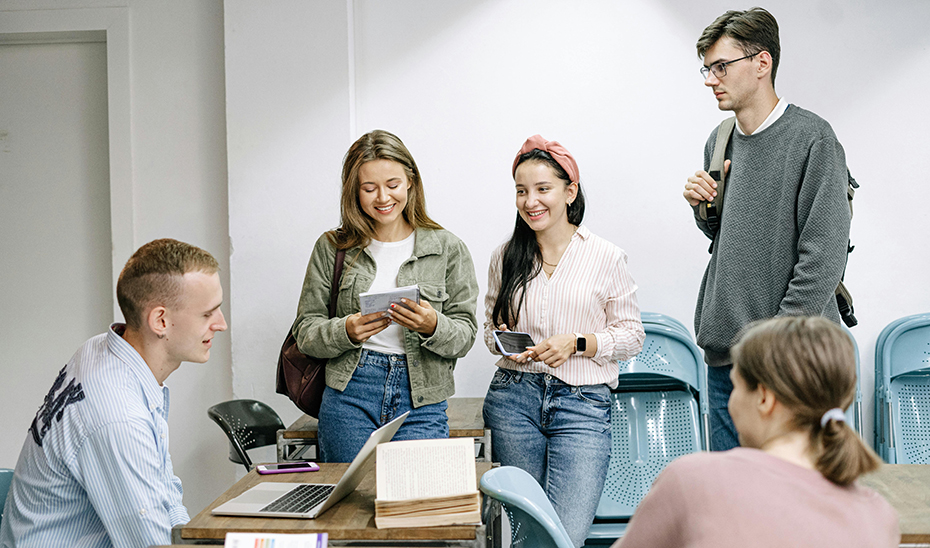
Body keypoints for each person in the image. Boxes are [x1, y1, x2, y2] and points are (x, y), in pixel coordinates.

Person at [683, 7, 852, 451]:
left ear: (762, 63)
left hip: (790, 364)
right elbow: (729, 238)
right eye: (707, 67)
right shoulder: (719, 139)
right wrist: (705, 210)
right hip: (726, 361)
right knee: (733, 505)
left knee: (795, 505)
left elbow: (823, 259)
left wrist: (772, 349)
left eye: (721, 66)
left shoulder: (813, 139)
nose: (710, 79)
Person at [0, 239, 227, 548]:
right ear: (161, 320)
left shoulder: (101, 349)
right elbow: (152, 544)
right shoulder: (118, 417)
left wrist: (187, 536)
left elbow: (164, 492)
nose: (221, 324)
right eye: (207, 314)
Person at [483, 134, 645, 547]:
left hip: (584, 403)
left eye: (542, 189)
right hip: (513, 400)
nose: (530, 201)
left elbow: (632, 336)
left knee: (564, 535)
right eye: (521, 191)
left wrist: (577, 343)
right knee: (525, 531)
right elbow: (488, 328)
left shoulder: (607, 256)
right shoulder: (506, 256)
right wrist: (501, 338)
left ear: (570, 191)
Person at [615, 316, 899, 548]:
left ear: (764, 398)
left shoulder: (693, 480)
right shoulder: (879, 516)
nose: (730, 402)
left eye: (736, 386)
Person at [292, 129, 479, 463]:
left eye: (392, 185)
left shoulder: (448, 248)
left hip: (422, 397)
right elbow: (306, 332)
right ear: (354, 191)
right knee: (347, 507)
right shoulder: (332, 248)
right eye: (369, 188)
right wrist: (346, 330)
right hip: (350, 392)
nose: (382, 198)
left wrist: (433, 325)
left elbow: (465, 336)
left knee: (415, 506)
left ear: (411, 181)